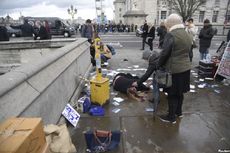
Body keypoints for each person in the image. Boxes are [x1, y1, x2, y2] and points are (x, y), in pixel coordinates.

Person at [157, 14, 192, 124]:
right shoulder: (186, 33)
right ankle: (179, 113)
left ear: (171, 23)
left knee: (172, 93)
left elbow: (164, 53)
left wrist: (158, 65)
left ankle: (171, 116)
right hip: (185, 68)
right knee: (180, 92)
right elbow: (190, 51)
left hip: (174, 70)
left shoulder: (171, 35)